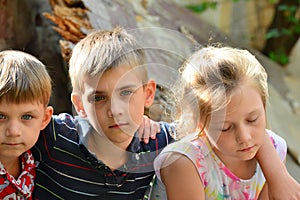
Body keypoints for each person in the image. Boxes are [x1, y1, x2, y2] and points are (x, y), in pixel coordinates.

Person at [32, 27, 175, 199]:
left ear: (148, 94)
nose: (115, 111)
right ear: (79, 104)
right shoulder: (53, 136)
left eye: (126, 93)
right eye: (98, 98)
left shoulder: (158, 141)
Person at [151, 46, 300, 199]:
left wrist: (277, 176)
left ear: (263, 105)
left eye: (252, 119)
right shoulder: (185, 163)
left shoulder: (275, 149)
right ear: (200, 124)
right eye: (225, 128)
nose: (245, 137)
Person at [0, 50, 53, 199]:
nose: (13, 131)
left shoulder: (35, 159)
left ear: (44, 119)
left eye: (27, 116)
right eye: (1, 116)